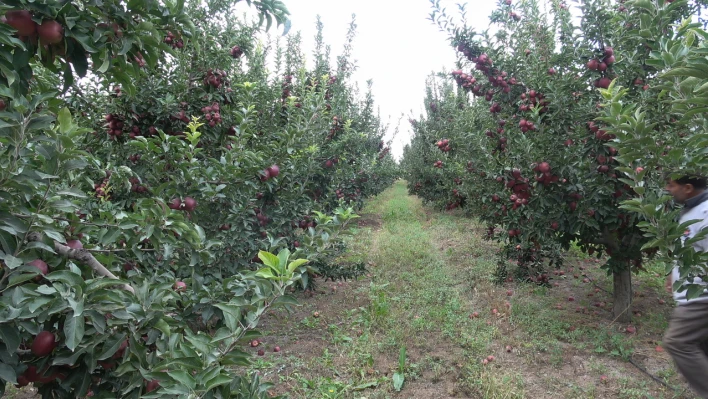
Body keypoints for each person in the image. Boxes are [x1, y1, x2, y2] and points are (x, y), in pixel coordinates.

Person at [663, 174, 708, 398]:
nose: (667, 189)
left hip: (701, 297)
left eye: (672, 185)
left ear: (688, 188)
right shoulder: (690, 210)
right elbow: (690, 249)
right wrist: (674, 274)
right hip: (692, 290)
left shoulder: (706, 214)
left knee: (677, 342)